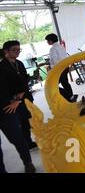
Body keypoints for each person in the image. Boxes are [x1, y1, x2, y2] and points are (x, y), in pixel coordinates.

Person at [0, 41, 37, 173]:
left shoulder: (15, 64)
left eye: (18, 50)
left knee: (18, 136)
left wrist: (17, 99)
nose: (17, 52)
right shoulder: (3, 65)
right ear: (6, 51)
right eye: (14, 50)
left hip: (11, 105)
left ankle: (28, 162)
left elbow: (23, 82)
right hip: (8, 105)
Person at [45, 33, 78, 103]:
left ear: (50, 41)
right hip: (65, 67)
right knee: (65, 83)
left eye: (47, 41)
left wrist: (50, 66)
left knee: (52, 86)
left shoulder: (53, 49)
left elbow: (55, 61)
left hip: (59, 69)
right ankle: (71, 98)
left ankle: (70, 96)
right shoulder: (61, 46)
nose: (47, 42)